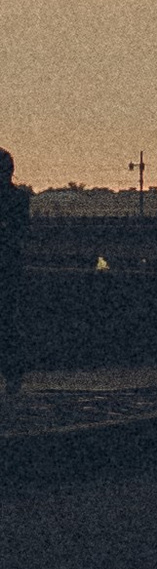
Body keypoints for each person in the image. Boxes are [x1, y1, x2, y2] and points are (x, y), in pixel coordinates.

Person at [0, 146, 27, 396]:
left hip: (6, 267)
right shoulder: (19, 197)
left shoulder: (16, 198)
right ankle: (13, 374)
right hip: (9, 267)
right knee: (8, 321)